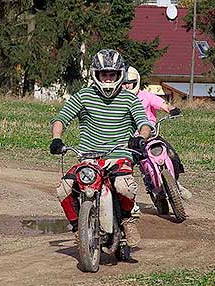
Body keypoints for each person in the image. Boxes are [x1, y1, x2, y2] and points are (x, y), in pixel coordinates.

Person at [49, 49, 153, 248]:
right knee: (64, 189)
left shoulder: (129, 99)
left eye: (111, 74)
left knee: (123, 186)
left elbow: (144, 123)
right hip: (88, 157)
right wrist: (56, 139)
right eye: (104, 74)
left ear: (119, 74)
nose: (107, 79)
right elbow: (61, 118)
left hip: (119, 155)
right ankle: (78, 228)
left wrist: (140, 138)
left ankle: (127, 219)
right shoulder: (83, 96)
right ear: (95, 74)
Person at [122, 66, 192, 201]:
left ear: (136, 82)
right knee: (125, 166)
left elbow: (163, 104)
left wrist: (172, 109)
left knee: (171, 154)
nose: (126, 86)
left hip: (151, 137)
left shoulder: (146, 96)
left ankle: (176, 184)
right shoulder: (119, 100)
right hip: (131, 141)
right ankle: (127, 199)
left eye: (129, 82)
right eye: (123, 83)